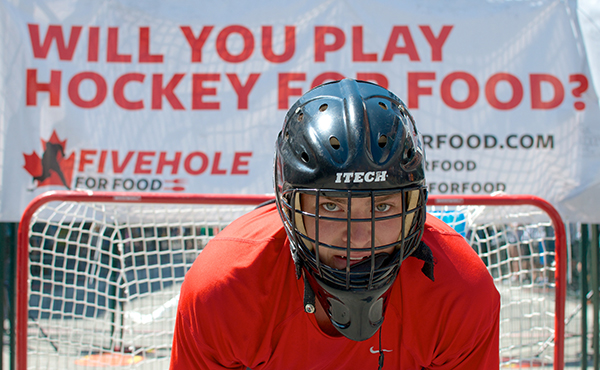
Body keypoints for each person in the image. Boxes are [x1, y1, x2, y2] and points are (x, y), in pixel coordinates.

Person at [170, 79, 500, 369]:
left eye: (381, 206)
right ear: (291, 207)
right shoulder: (226, 289)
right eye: (331, 206)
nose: (357, 237)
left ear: (414, 208)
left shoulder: (460, 292)